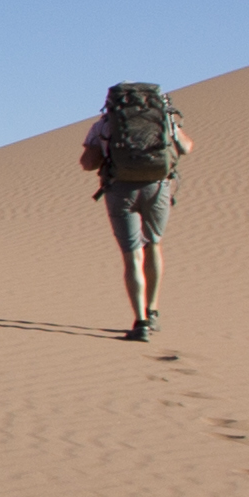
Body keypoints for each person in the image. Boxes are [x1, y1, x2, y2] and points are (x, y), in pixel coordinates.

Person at [79, 80, 193, 339]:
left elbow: (87, 163)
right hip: (158, 187)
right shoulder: (164, 119)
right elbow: (186, 148)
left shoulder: (104, 125)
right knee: (153, 244)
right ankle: (153, 312)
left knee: (132, 254)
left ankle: (140, 321)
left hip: (120, 191)